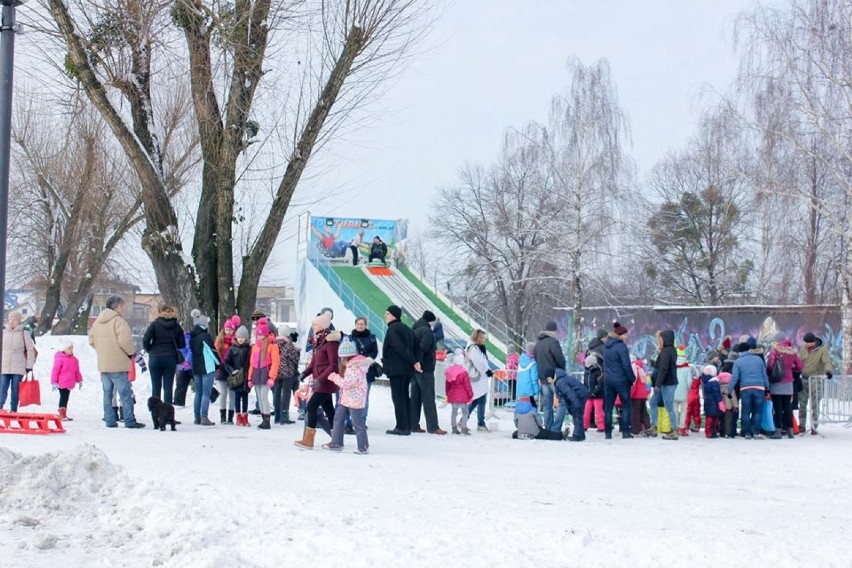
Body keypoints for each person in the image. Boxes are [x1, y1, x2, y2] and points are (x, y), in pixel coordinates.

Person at [88, 296, 145, 428]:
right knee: (124, 394)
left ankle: (110, 420)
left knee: (107, 394)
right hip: (118, 363)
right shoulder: (119, 322)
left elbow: (91, 341)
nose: (124, 308)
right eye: (122, 306)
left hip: (104, 363)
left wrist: (102, 350)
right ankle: (129, 420)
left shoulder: (97, 322)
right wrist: (130, 353)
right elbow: (125, 342)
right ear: (117, 306)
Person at [294, 313, 340, 449]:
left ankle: (309, 440)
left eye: (315, 324)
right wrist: (304, 373)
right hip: (320, 381)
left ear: (322, 325)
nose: (313, 327)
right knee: (329, 409)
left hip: (326, 382)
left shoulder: (330, 342)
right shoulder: (318, 341)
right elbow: (314, 363)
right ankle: (336, 439)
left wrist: (320, 380)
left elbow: (333, 365)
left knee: (311, 407)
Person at [324, 337, 371, 454]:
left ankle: (363, 446)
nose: (341, 360)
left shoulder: (354, 367)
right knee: (338, 418)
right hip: (346, 398)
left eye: (342, 358)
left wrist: (334, 377)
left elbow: (347, 384)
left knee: (357, 423)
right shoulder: (351, 366)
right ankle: (337, 442)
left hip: (355, 399)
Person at [382, 305, 420, 435]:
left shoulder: (393, 329)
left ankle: (401, 427)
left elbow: (399, 347)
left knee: (398, 397)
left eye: (387, 314)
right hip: (407, 369)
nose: (385, 316)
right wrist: (414, 361)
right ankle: (408, 425)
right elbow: (415, 347)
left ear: (394, 315)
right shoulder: (408, 329)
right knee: (404, 396)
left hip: (396, 368)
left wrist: (413, 361)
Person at [142, 305, 185, 406]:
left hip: (155, 358)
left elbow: (145, 340)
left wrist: (150, 350)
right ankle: (168, 414)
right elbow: (181, 344)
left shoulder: (154, 324)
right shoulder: (177, 326)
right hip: (170, 358)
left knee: (156, 387)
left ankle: (156, 414)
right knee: (168, 387)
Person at [411, 310, 446, 435]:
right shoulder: (427, 331)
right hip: (425, 368)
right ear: (431, 321)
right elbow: (424, 348)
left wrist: (414, 362)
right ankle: (433, 426)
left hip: (414, 368)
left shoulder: (414, 329)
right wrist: (420, 361)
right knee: (428, 397)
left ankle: (413, 424)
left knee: (415, 397)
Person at [728, 337, 770, 440]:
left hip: (745, 388)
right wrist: (767, 388)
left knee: (746, 411)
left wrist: (729, 390)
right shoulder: (759, 359)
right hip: (759, 387)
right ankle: (756, 432)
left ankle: (747, 433)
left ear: (740, 351)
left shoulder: (738, 361)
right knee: (758, 411)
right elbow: (764, 375)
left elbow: (734, 378)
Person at [602, 322, 636, 439]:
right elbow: (626, 365)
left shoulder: (606, 346)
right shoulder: (621, 347)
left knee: (608, 407)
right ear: (620, 335)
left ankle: (607, 432)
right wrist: (632, 378)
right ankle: (625, 431)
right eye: (625, 335)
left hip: (608, 380)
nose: (626, 337)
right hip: (621, 381)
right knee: (626, 406)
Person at [767, 332, 803, 439]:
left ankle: (778, 431)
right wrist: (791, 370)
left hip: (777, 382)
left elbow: (770, 365)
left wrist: (770, 374)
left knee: (777, 407)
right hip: (788, 383)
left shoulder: (775, 351)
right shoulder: (792, 352)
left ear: (777, 341)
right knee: (788, 407)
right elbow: (800, 366)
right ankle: (790, 431)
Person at [0, 311, 36, 412]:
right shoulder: (3, 332)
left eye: (14, 319)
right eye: (10, 319)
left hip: (18, 367)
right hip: (4, 366)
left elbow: (30, 349)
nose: (12, 321)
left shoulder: (23, 332)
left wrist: (29, 365)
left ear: (19, 321)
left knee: (15, 390)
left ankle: (13, 410)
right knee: (2, 389)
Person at [798, 331, 833, 435]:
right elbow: (799, 361)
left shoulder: (822, 350)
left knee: (815, 403)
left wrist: (828, 371)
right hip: (804, 378)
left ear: (814, 341)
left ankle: (814, 425)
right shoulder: (803, 348)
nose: (807, 345)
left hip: (815, 379)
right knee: (802, 403)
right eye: (805, 343)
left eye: (809, 343)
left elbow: (827, 362)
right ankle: (802, 425)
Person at [247, 318, 280, 430]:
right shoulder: (255, 347)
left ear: (266, 335)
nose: (260, 337)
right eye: (258, 335)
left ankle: (267, 420)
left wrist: (272, 377)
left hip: (266, 373)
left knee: (263, 396)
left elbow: (275, 362)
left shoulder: (272, 346)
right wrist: (249, 378)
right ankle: (263, 418)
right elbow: (251, 363)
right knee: (259, 398)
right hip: (257, 372)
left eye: (262, 335)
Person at [533, 321, 566, 430]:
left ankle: (548, 426)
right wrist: (562, 371)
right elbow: (559, 358)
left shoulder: (538, 343)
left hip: (542, 378)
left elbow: (536, 359)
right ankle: (556, 428)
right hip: (554, 377)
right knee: (562, 402)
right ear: (554, 331)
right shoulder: (553, 342)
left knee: (547, 404)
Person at [189, 309, 219, 426]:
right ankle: (204, 417)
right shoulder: (205, 336)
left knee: (198, 393)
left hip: (196, 367)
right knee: (206, 393)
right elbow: (212, 351)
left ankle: (197, 417)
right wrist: (218, 363)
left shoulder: (193, 336)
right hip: (207, 367)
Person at [348, 317, 379, 428]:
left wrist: (365, 361)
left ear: (366, 325)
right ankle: (352, 419)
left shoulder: (371, 338)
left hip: (367, 371)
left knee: (364, 396)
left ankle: (362, 420)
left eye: (362, 324)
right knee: (352, 396)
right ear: (355, 324)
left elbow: (374, 352)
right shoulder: (350, 338)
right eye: (358, 324)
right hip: (353, 372)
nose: (360, 326)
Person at [648, 330, 679, 440]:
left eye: (660, 339)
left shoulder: (666, 351)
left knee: (669, 406)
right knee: (653, 402)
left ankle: (674, 430)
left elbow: (664, 368)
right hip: (665, 383)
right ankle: (654, 426)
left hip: (666, 383)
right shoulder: (670, 350)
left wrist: (657, 384)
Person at [549, 368, 590, 441]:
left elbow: (570, 393)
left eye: (548, 379)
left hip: (579, 395)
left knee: (577, 414)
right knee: (577, 414)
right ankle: (580, 435)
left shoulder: (559, 382)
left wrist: (576, 404)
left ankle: (577, 435)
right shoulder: (560, 380)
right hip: (579, 394)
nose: (548, 381)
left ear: (551, 377)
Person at [213, 315, 241, 424]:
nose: (228, 332)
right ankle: (223, 417)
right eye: (227, 329)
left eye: (231, 330)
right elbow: (216, 354)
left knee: (232, 394)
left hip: (233, 371)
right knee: (223, 394)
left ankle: (230, 417)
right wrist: (218, 366)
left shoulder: (236, 341)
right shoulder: (220, 341)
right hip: (222, 370)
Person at [224, 326, 252, 426]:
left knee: (245, 397)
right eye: (239, 337)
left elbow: (251, 363)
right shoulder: (232, 349)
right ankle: (238, 416)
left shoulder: (249, 349)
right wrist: (232, 371)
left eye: (243, 337)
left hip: (245, 376)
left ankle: (245, 416)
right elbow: (226, 362)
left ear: (246, 338)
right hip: (236, 377)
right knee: (236, 396)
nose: (240, 339)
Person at [466, 329, 492, 432]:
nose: (483, 339)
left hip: (480, 377)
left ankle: (465, 419)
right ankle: (480, 423)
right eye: (482, 337)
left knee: (477, 399)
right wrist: (487, 371)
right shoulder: (474, 348)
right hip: (478, 377)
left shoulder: (477, 348)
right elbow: (479, 363)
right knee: (480, 399)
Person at [273, 325, 300, 425]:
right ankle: (284, 414)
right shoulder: (289, 344)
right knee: (286, 394)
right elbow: (294, 358)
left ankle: (277, 415)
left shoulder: (274, 343)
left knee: (276, 392)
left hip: (276, 371)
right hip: (287, 372)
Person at [50, 338, 82, 421]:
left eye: (72, 348)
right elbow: (55, 371)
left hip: (69, 383)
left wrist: (79, 379)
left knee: (66, 397)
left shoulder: (74, 360)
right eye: (69, 348)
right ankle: (62, 413)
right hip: (62, 382)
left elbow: (76, 371)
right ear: (64, 349)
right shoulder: (59, 359)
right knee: (63, 397)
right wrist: (54, 382)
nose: (71, 350)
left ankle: (63, 413)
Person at [444, 348, 473, 435]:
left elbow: (447, 385)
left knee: (454, 413)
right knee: (465, 412)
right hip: (463, 397)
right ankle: (463, 427)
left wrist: (448, 394)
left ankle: (454, 428)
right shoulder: (464, 373)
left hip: (453, 396)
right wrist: (470, 395)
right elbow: (467, 386)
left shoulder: (449, 372)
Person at [583, 329, 607, 431]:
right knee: (599, 409)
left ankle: (587, 424)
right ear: (603, 337)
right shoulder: (602, 348)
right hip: (598, 390)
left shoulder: (589, 348)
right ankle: (601, 425)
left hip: (589, 392)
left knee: (588, 409)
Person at [583, 351, 605, 432]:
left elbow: (600, 384)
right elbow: (585, 383)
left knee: (598, 412)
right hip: (589, 395)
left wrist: (595, 391)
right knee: (586, 411)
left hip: (597, 395)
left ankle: (601, 426)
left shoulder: (598, 372)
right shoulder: (586, 373)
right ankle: (585, 425)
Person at [701, 365, 725, 438]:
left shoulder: (705, 381)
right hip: (714, 403)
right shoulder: (714, 381)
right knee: (713, 419)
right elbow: (716, 393)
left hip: (707, 402)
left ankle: (708, 432)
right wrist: (720, 401)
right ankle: (711, 432)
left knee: (709, 418)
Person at [629, 356, 651, 436]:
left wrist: (630, 395)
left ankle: (635, 430)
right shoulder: (642, 367)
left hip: (636, 395)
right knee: (644, 412)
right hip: (643, 395)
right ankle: (647, 428)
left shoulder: (633, 368)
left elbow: (633, 383)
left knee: (635, 413)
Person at [674, 345, 692, 436]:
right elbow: (689, 382)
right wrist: (688, 389)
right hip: (684, 392)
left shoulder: (673, 366)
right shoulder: (686, 368)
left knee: (675, 410)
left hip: (674, 391)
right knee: (684, 410)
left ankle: (675, 427)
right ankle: (682, 427)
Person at [173, 330, 193, 407]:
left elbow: (190, 350)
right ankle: (178, 402)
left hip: (190, 365)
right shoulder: (175, 339)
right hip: (182, 366)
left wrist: (187, 361)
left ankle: (213, 395)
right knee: (180, 384)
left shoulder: (187, 338)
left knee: (198, 383)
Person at [718, 370, 738, 438]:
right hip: (728, 406)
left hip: (720, 406)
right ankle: (728, 433)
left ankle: (721, 432)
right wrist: (736, 405)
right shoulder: (730, 388)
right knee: (728, 420)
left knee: (721, 420)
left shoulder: (718, 387)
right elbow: (733, 397)